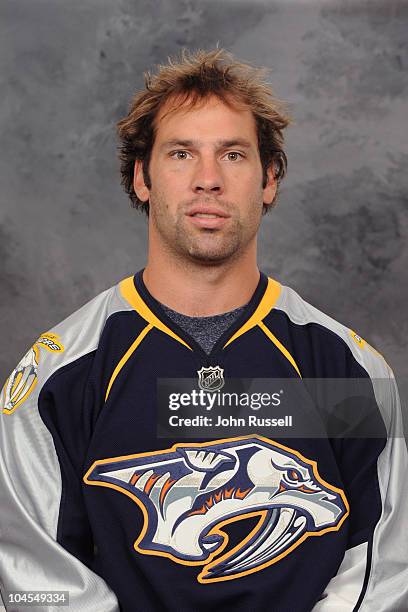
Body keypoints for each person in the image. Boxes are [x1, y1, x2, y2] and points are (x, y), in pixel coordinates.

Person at [0, 47, 407, 612]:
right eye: (182, 153)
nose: (208, 180)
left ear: (268, 180)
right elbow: (34, 576)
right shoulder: (62, 372)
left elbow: (386, 560)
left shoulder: (341, 369)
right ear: (143, 178)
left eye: (233, 155)